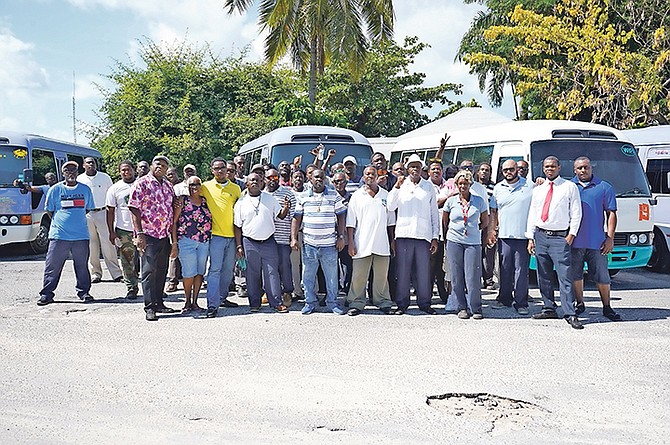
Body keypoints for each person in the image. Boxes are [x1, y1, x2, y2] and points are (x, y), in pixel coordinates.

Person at [526, 156, 583, 329]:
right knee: (543, 274)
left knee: (564, 276)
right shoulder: (538, 189)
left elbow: (576, 212)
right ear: (543, 169)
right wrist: (530, 237)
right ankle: (549, 307)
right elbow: (533, 213)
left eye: (553, 166)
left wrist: (571, 235)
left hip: (560, 237)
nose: (549, 169)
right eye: (546, 166)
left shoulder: (569, 187)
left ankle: (569, 312)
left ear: (559, 167)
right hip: (541, 236)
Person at [387, 154, 440, 315]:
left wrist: (435, 237)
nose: (415, 169)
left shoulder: (428, 186)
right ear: (407, 169)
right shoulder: (401, 185)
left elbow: (434, 213)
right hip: (404, 234)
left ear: (421, 168)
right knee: (402, 272)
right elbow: (390, 206)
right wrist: (396, 186)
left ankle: (424, 303)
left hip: (423, 235)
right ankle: (402, 304)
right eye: (412, 166)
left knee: (423, 272)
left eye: (417, 166)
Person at [37, 161, 95, 306]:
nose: (71, 173)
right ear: (63, 173)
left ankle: (84, 292)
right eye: (67, 170)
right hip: (59, 236)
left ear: (77, 172)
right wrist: (61, 223)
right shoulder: (55, 190)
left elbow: (87, 209)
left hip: (81, 236)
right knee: (53, 266)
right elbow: (49, 210)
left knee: (82, 266)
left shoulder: (85, 190)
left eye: (74, 170)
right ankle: (47, 294)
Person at [570, 157, 621, 321]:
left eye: (586, 167)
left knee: (602, 276)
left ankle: (607, 307)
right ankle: (580, 304)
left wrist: (610, 238)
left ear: (591, 168)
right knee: (576, 275)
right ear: (574, 170)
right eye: (579, 168)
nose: (583, 171)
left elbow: (611, 213)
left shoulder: (604, 187)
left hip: (597, 242)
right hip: (574, 242)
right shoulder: (568, 187)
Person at [128, 155, 177, 321]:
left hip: (164, 234)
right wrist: (139, 233)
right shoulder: (142, 183)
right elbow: (134, 208)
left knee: (162, 270)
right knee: (148, 271)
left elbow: (172, 208)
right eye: (158, 164)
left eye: (164, 165)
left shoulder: (169, 186)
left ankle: (159, 302)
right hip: (148, 234)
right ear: (151, 165)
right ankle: (149, 307)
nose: (160, 167)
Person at [291, 168, 347, 315]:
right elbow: (296, 218)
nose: (319, 180)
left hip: (329, 245)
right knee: (308, 275)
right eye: (316, 177)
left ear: (325, 180)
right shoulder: (303, 197)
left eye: (321, 178)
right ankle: (309, 302)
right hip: (309, 244)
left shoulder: (334, 195)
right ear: (310, 179)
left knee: (332, 277)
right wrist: (294, 238)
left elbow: (341, 216)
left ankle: (332, 303)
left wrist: (341, 237)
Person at [234, 173, 291, 313]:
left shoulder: (269, 198)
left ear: (262, 183)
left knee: (272, 272)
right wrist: (239, 246)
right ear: (246, 183)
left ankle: (276, 303)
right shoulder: (241, 202)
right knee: (252, 273)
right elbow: (237, 226)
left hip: (269, 241)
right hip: (249, 242)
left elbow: (280, 216)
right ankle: (254, 303)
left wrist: (286, 208)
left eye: (258, 180)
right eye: (252, 180)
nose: (255, 182)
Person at [345, 166, 396, 315]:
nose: (370, 176)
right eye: (367, 174)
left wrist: (392, 241)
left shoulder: (386, 195)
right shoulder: (356, 196)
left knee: (381, 276)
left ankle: (383, 301)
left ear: (377, 175)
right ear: (363, 176)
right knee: (359, 276)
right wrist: (351, 243)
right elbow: (350, 223)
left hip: (382, 243)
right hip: (362, 243)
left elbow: (391, 222)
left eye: (373, 174)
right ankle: (356, 302)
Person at [489, 159, 534, 315]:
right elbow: (493, 211)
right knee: (505, 269)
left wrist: (532, 236)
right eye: (505, 170)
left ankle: (521, 303)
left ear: (517, 169)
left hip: (523, 236)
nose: (508, 172)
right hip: (504, 235)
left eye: (511, 169)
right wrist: (492, 231)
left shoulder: (530, 186)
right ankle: (504, 299)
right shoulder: (498, 188)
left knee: (521, 271)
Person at [443, 170, 489, 319]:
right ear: (456, 184)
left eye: (466, 183)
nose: (463, 186)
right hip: (454, 241)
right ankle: (461, 307)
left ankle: (476, 308)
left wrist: (473, 230)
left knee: (473, 275)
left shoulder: (479, 200)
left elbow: (485, 221)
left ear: (471, 184)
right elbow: (445, 221)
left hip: (472, 242)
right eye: (460, 183)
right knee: (456, 276)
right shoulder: (451, 201)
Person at [200, 158, 242, 318]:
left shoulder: (236, 188)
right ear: (212, 171)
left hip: (233, 237)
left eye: (222, 168)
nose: (220, 171)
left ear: (227, 169)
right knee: (215, 270)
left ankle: (222, 298)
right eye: (216, 168)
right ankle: (212, 305)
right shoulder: (206, 187)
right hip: (216, 236)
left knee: (228, 271)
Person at [77, 157, 122, 283]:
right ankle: (95, 273)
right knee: (92, 245)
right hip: (87, 214)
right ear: (83, 165)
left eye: (93, 162)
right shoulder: (80, 179)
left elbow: (112, 195)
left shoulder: (105, 177)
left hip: (103, 212)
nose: (91, 164)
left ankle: (116, 273)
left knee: (108, 243)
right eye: (88, 163)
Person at [171, 175, 212, 313]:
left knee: (200, 272)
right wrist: (175, 242)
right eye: (191, 185)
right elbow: (174, 222)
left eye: (197, 184)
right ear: (187, 187)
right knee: (189, 273)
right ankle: (187, 301)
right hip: (186, 240)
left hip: (204, 241)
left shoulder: (206, 201)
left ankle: (195, 302)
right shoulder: (182, 200)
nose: (195, 187)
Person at [106, 160, 140, 299]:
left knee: (149, 260)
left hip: (143, 229)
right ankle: (131, 287)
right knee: (127, 261)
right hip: (124, 229)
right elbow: (110, 211)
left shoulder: (142, 184)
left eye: (128, 169)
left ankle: (154, 288)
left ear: (134, 169)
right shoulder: (114, 188)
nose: (126, 172)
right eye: (123, 170)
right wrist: (112, 232)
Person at [265, 168, 297, 306]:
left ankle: (287, 292)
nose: (272, 180)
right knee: (268, 268)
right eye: (269, 178)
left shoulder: (287, 194)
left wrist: (292, 237)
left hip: (282, 237)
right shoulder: (261, 194)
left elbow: (294, 217)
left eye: (275, 178)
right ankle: (270, 292)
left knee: (284, 265)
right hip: (265, 238)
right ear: (264, 179)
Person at [428, 160, 451, 303]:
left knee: (443, 268)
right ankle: (427, 296)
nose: (436, 171)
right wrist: (448, 197)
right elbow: (434, 203)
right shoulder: (425, 186)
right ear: (429, 172)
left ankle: (445, 296)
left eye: (438, 169)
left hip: (447, 232)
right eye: (433, 169)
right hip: (431, 233)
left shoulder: (449, 185)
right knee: (430, 267)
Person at [476, 162, 497, 290]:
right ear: (478, 172)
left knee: (489, 251)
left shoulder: (495, 188)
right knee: (476, 251)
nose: (484, 172)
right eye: (482, 169)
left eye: (487, 170)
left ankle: (488, 279)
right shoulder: (473, 186)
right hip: (475, 222)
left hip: (489, 222)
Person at [332, 171, 353, 295]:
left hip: (346, 238)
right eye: (335, 181)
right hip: (330, 237)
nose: (338, 184)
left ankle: (348, 292)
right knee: (331, 268)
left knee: (347, 266)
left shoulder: (353, 198)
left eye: (341, 181)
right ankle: (332, 292)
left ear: (346, 182)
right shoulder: (329, 197)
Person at [289, 170, 306, 302]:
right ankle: (296, 290)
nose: (298, 179)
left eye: (301, 177)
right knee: (294, 264)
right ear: (291, 179)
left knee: (308, 263)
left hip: (307, 233)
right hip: (293, 233)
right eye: (296, 177)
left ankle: (310, 290)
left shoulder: (308, 194)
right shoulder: (288, 194)